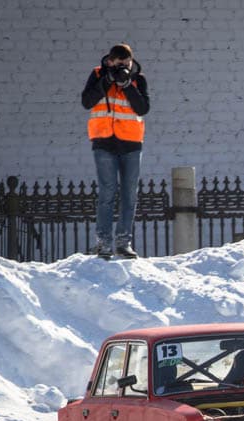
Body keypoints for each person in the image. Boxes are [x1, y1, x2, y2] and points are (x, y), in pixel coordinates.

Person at [81, 43, 150, 259]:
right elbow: (86, 101)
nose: (123, 68)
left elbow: (143, 108)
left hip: (131, 144)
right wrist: (106, 81)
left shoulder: (138, 79)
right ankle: (103, 243)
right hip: (104, 143)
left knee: (129, 195)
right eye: (119, 64)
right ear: (110, 61)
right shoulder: (98, 75)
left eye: (127, 64)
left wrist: (127, 85)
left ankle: (123, 243)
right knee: (107, 193)